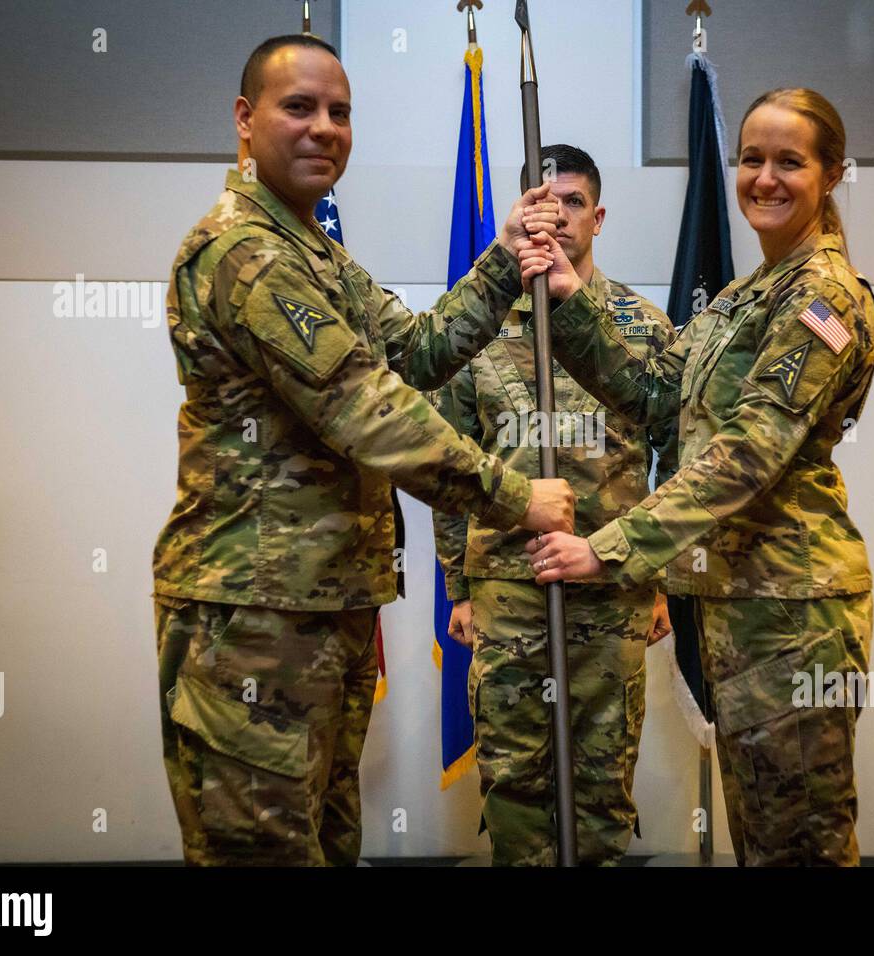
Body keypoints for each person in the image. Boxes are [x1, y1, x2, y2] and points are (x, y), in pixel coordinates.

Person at [151, 34, 573, 866]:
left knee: (326, 845)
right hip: (253, 620)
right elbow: (366, 412)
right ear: (245, 119)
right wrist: (515, 498)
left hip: (323, 607)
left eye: (339, 112)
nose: (324, 128)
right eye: (298, 107)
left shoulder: (317, 255)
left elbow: (413, 354)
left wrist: (501, 258)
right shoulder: (247, 251)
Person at [520, 89, 874, 866]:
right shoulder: (745, 296)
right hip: (738, 606)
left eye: (791, 161)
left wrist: (609, 549)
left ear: (833, 173)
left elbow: (747, 453)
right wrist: (572, 302)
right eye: (752, 158)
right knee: (762, 838)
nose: (765, 177)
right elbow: (660, 393)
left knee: (798, 846)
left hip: (793, 614)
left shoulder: (824, 297)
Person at [432, 144, 677, 866]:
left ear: (598, 217)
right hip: (508, 589)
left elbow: (675, 455)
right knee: (514, 786)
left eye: (574, 202)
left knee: (602, 788)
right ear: (522, 212)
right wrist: (459, 588)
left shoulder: (641, 325)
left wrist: (655, 573)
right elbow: (448, 461)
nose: (559, 214)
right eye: (544, 200)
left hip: (611, 585)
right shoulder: (477, 326)